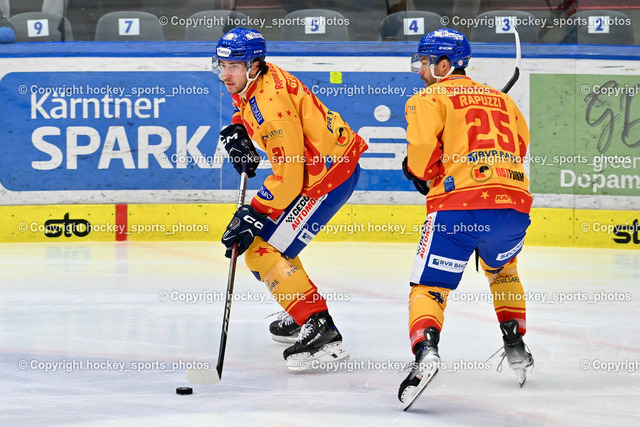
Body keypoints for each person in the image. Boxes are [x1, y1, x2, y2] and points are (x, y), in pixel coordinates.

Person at [215, 28, 368, 370]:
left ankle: (320, 327)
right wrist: (239, 126)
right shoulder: (258, 79)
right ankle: (304, 313)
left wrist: (252, 213)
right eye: (221, 64)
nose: (225, 73)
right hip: (324, 169)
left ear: (253, 66)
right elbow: (248, 109)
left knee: (258, 248)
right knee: (266, 247)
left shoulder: (271, 105)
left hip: (324, 178)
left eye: (233, 66)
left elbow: (288, 176)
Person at [398, 28, 534, 410]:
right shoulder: (503, 101)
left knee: (430, 287)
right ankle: (516, 345)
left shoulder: (427, 97)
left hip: (459, 209)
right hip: (514, 206)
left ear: (444, 64)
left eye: (424, 62)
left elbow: (423, 158)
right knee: (504, 272)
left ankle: (426, 352)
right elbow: (519, 146)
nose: (420, 70)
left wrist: (417, 171)